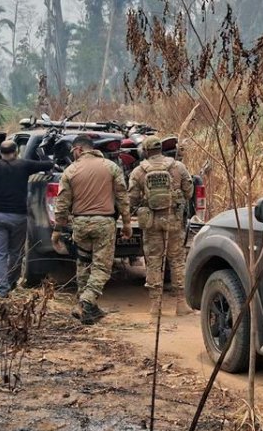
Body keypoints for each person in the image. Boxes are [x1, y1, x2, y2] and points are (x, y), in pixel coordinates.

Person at [52, 134, 131, 325]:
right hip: (104, 223)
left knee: (84, 263)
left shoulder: (70, 171)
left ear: (79, 149)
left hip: (80, 223)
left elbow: (62, 204)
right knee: (102, 267)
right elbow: (122, 196)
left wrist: (57, 229)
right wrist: (127, 222)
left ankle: (86, 308)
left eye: (73, 151)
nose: (73, 155)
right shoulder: (111, 167)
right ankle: (87, 301)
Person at [0, 140, 54, 297]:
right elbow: (48, 165)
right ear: (16, 152)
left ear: (0, 153)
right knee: (16, 252)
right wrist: (43, 152)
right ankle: (11, 281)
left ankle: (2, 289)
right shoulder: (24, 165)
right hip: (19, 217)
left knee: (0, 254)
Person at [129, 135, 195, 315]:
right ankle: (181, 304)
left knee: (153, 261)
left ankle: (155, 306)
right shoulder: (178, 167)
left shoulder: (139, 171)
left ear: (145, 151)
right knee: (177, 260)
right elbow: (189, 192)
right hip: (173, 220)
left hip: (151, 222)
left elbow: (132, 199)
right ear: (161, 149)